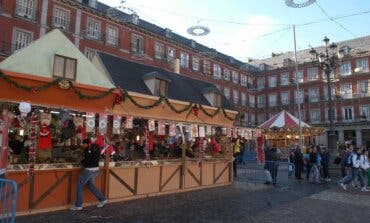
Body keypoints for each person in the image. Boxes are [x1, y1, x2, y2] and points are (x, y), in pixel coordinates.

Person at [70, 138, 108, 210]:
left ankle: (78, 205)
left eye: (83, 144)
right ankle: (103, 199)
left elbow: (87, 161)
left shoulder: (88, 149)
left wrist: (81, 162)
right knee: (90, 185)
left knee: (79, 185)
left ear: (86, 144)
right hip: (96, 170)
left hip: (89, 170)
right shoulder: (96, 148)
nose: (83, 145)